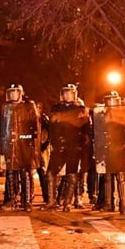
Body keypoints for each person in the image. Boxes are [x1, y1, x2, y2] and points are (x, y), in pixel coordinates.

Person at [46, 84, 92, 212]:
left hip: (74, 146)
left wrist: (83, 145)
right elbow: (52, 127)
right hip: (59, 146)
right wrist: (53, 141)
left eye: (70, 93)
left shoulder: (81, 109)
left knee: (72, 176)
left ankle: (67, 203)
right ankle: (51, 202)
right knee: (50, 173)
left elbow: (86, 130)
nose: (67, 95)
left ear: (75, 94)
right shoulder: (56, 108)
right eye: (65, 93)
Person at [92, 91, 125, 214]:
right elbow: (98, 133)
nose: (111, 103)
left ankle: (124, 204)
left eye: (113, 100)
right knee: (107, 178)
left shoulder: (124, 115)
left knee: (121, 178)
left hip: (121, 151)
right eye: (108, 101)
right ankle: (108, 203)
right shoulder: (102, 116)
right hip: (107, 150)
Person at [0, 83, 40, 212]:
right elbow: (2, 127)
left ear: (20, 93)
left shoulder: (29, 106)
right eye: (10, 92)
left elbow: (35, 126)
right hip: (10, 143)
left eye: (15, 92)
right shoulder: (6, 107)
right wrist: (3, 143)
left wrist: (28, 139)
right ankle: (12, 199)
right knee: (11, 172)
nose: (12, 94)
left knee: (25, 173)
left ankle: (26, 201)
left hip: (25, 144)